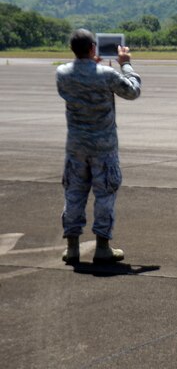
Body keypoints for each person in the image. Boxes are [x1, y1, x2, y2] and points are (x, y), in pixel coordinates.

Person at [56, 29, 141, 264]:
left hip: (76, 147)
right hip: (103, 148)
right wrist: (125, 65)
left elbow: (73, 84)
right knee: (104, 195)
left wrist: (89, 64)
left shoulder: (62, 73)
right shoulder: (106, 74)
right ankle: (102, 246)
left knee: (74, 194)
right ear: (93, 48)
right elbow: (133, 91)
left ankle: (72, 247)